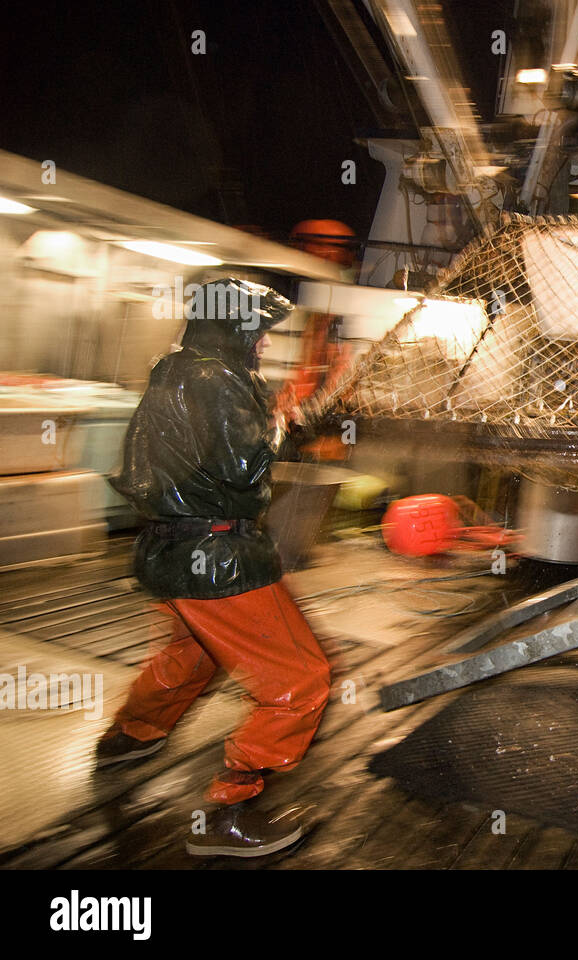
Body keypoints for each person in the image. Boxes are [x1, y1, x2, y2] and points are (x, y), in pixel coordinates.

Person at [96, 277, 331, 858]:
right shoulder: (217, 378)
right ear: (236, 326)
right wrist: (284, 419)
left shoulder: (174, 368)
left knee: (192, 653)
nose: (265, 345)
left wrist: (274, 413)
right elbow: (244, 464)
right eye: (260, 332)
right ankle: (230, 812)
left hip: (168, 550)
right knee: (300, 682)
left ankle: (132, 734)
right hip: (216, 558)